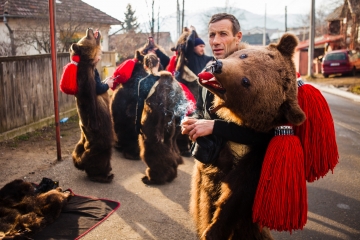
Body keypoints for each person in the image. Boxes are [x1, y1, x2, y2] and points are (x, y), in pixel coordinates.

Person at [181, 13, 272, 144]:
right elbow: (201, 111)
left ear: (238, 37)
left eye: (223, 34)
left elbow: (265, 134)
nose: (215, 41)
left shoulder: (254, 73)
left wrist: (215, 127)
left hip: (245, 162)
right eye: (212, 35)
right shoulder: (206, 72)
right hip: (210, 163)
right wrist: (192, 121)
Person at [135, 54, 161, 134]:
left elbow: (140, 104)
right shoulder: (165, 80)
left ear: (145, 66)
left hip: (150, 117)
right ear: (158, 64)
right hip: (165, 118)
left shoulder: (142, 82)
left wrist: (138, 123)